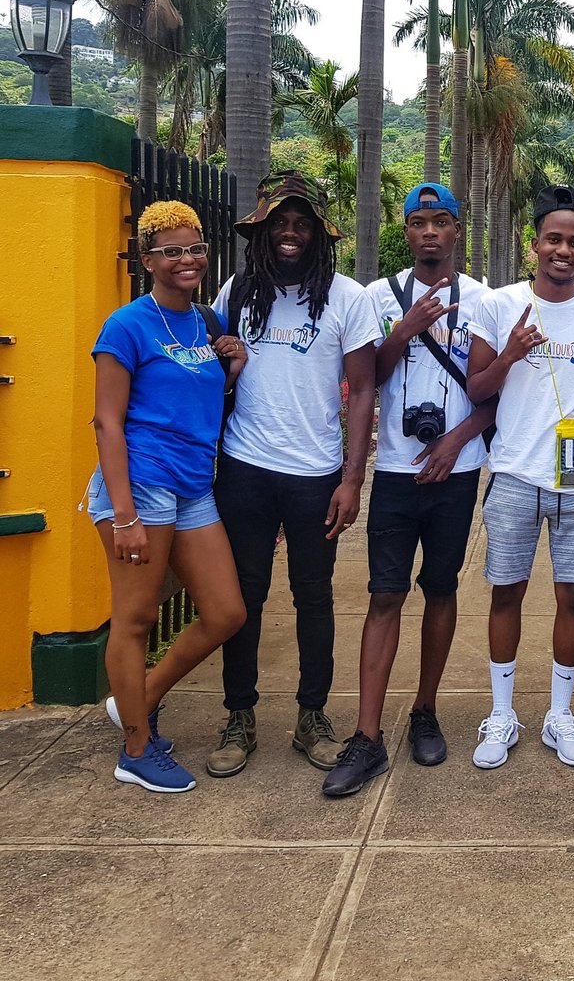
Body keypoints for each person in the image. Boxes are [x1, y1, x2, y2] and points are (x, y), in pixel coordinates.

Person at [323, 184, 495, 797]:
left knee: (442, 590)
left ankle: (425, 709)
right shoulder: (378, 297)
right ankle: (367, 736)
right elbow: (363, 380)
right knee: (385, 595)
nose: (429, 232)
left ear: (457, 230)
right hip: (396, 470)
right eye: (418, 222)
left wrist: (454, 443)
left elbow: (490, 393)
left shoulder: (483, 300)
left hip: (457, 469)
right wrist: (407, 328)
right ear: (405, 230)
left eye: (441, 222)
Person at [206, 172, 379, 779]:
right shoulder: (236, 291)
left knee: (314, 597)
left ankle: (311, 717)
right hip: (245, 469)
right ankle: (240, 716)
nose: (289, 233)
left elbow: (362, 392)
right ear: (262, 229)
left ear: (319, 234)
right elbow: (217, 374)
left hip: (314, 474)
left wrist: (352, 479)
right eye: (279, 222)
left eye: (301, 223)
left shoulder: (348, 298)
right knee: (244, 597)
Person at [87, 200, 247, 793]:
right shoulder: (126, 325)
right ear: (147, 259)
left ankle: (139, 699)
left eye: (196, 247)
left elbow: (198, 401)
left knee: (226, 611)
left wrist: (230, 367)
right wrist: (124, 514)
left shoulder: (202, 322)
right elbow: (107, 423)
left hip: (191, 486)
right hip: (140, 486)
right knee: (135, 619)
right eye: (172, 250)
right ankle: (135, 747)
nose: (188, 259)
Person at [467, 184, 574, 770]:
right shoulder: (499, 304)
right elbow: (476, 389)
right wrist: (509, 354)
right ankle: (502, 714)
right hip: (514, 471)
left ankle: (561, 715)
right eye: (554, 239)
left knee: (572, 596)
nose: (564, 250)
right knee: (505, 591)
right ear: (534, 244)